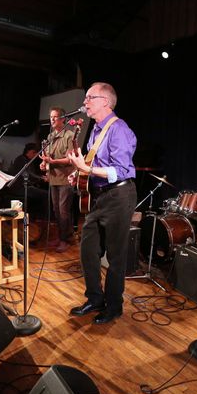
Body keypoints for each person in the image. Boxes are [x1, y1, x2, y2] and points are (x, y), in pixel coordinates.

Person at [67, 82, 137, 325]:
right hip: (98, 197)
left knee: (116, 256)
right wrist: (79, 173)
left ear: (105, 101)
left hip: (119, 196)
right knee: (88, 251)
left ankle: (114, 306)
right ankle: (95, 299)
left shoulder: (119, 129)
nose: (85, 102)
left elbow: (121, 170)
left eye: (90, 97)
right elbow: (95, 165)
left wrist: (87, 169)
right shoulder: (97, 129)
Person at [40, 106, 76, 253]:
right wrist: (44, 163)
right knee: (56, 210)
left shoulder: (69, 135)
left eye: (55, 117)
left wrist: (53, 161)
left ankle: (64, 240)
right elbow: (48, 157)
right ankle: (65, 236)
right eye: (51, 117)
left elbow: (70, 159)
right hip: (53, 179)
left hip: (66, 179)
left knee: (63, 211)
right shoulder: (50, 137)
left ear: (63, 119)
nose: (52, 119)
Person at [7, 143, 48, 215]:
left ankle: (37, 214)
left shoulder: (26, 159)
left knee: (42, 191)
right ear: (29, 151)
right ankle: (43, 216)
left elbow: (32, 174)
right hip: (19, 188)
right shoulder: (21, 160)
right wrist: (41, 178)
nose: (35, 155)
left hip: (24, 186)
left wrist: (40, 177)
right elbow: (28, 174)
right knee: (46, 194)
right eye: (34, 153)